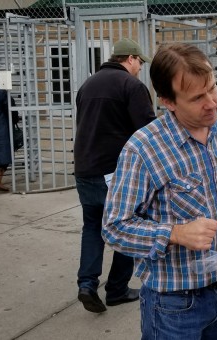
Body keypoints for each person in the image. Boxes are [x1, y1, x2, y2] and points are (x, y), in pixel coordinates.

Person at [102, 43, 217, 339]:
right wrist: (175, 234)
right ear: (168, 101)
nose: (211, 103)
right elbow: (114, 227)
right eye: (197, 97)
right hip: (173, 305)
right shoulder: (144, 149)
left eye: (212, 88)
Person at [73, 38, 156, 314]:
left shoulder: (87, 85)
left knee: (93, 227)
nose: (141, 68)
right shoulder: (131, 86)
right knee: (127, 224)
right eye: (140, 62)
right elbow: (147, 131)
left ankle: (87, 284)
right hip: (115, 172)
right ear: (130, 58)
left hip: (85, 169)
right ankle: (117, 289)